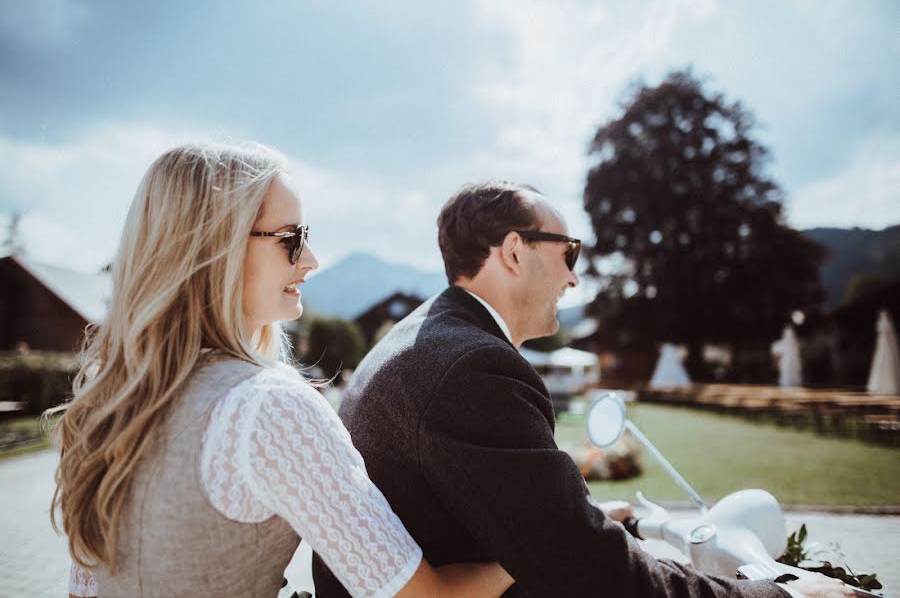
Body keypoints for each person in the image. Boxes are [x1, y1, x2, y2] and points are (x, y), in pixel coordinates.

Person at [312, 181, 852, 598]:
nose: (574, 278)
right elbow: (594, 574)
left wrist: (578, 517)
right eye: (569, 252)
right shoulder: (472, 365)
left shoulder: (427, 338)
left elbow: (513, 511)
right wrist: (775, 592)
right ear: (514, 252)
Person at [51, 144, 514, 598]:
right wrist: (537, 552)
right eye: (290, 238)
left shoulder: (108, 402)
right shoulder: (266, 406)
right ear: (214, 248)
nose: (311, 259)